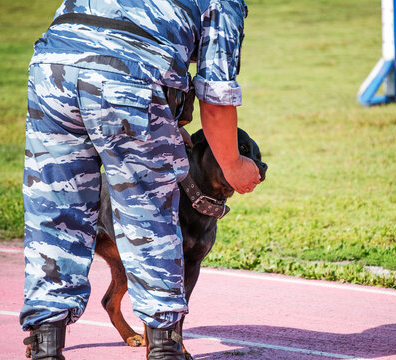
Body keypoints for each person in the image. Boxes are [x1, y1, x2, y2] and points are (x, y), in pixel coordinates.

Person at [20, 1, 259, 359]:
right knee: (147, 213)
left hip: (53, 66)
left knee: (55, 214)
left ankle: (44, 345)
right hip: (128, 75)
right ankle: (164, 348)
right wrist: (234, 164)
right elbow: (216, 98)